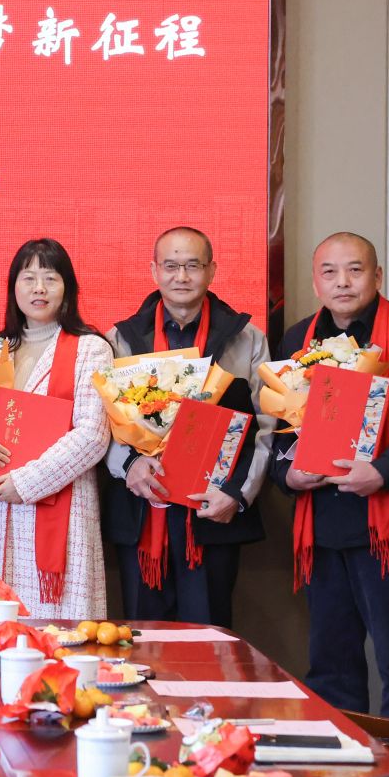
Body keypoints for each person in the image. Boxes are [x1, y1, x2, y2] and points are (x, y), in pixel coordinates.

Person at [268, 232, 389, 721]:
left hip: (388, 523)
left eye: (355, 269)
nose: (343, 282)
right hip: (322, 525)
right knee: (330, 664)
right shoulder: (297, 340)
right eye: (329, 272)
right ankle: (340, 762)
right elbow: (280, 424)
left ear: (377, 276)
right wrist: (289, 474)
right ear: (316, 282)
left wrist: (383, 471)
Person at [102, 226, 272, 628]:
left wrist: (237, 493)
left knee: (208, 634)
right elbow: (102, 422)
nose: (181, 276)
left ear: (212, 270)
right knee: (144, 636)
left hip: (213, 509)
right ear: (154, 271)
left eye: (193, 266)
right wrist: (128, 466)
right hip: (143, 507)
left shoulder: (247, 339)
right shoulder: (121, 338)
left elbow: (268, 425)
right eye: (171, 266)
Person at [0, 238, 114, 619]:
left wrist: (26, 482)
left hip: (58, 502)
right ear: (14, 288)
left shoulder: (91, 348)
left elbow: (92, 435)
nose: (39, 288)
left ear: (67, 288)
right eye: (28, 278)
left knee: (54, 627)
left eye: (50, 278)